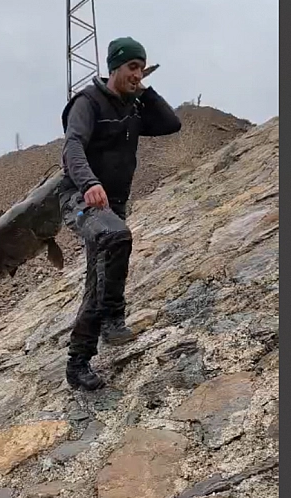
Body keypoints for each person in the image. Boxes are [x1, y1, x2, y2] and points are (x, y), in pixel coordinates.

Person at [58, 36, 182, 390]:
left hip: (114, 205)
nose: (137, 74)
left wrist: (145, 92)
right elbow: (72, 147)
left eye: (141, 68)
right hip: (80, 200)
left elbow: (172, 125)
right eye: (131, 67)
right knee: (117, 236)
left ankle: (77, 364)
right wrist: (88, 184)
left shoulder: (134, 107)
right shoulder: (88, 102)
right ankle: (114, 317)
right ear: (114, 67)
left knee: (97, 280)